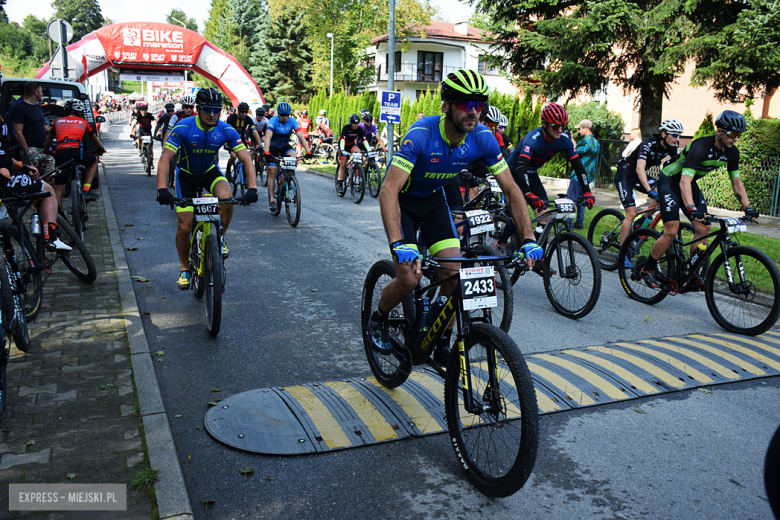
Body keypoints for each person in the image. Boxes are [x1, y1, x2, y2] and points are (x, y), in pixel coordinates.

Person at [368, 69, 542, 366]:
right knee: (409, 278)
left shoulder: (484, 139)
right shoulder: (421, 134)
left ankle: (442, 341)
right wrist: (398, 243)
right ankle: (379, 317)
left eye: (479, 103)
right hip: (404, 203)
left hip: (434, 202)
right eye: (465, 103)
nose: (473, 111)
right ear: (446, 104)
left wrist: (527, 237)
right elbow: (388, 190)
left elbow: (512, 190)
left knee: (454, 278)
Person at [640, 110, 758, 290]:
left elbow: (736, 182)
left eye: (739, 135)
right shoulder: (701, 147)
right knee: (671, 230)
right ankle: (647, 269)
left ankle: (693, 273)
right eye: (733, 134)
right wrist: (691, 208)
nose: (736, 139)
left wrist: (748, 208)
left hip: (688, 183)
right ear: (720, 131)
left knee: (703, 228)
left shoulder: (732, 153)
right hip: (670, 181)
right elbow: (683, 181)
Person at [155, 87, 258, 288]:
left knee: (227, 198)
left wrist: (252, 188)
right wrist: (161, 188)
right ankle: (185, 268)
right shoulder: (183, 127)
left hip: (210, 172)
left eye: (216, 110)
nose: (212, 114)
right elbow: (165, 158)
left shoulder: (225, 129)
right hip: (186, 176)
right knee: (185, 226)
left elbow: (245, 158)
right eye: (207, 109)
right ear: (198, 108)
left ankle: (219, 238)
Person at [496, 102, 596, 275]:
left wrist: (587, 190)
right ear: (544, 125)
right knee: (522, 211)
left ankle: (538, 258)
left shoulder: (563, 140)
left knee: (544, 215)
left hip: (531, 174)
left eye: (562, 125)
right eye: (555, 125)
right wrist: (528, 194)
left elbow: (578, 166)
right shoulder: (532, 139)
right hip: (513, 174)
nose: (560, 129)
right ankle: (502, 241)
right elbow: (520, 170)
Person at [614, 119, 683, 262]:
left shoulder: (672, 147)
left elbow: (673, 169)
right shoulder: (648, 144)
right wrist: (649, 190)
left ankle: (643, 221)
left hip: (640, 175)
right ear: (664, 134)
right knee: (631, 213)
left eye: (680, 135)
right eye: (675, 135)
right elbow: (640, 168)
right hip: (625, 174)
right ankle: (622, 253)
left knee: (662, 193)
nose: (678, 139)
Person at [42, 99, 106, 205]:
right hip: (77, 151)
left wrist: (46, 150)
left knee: (59, 186)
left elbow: (49, 139)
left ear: (66, 111)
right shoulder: (83, 122)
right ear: (79, 112)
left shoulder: (57, 121)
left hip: (61, 153)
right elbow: (93, 139)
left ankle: (59, 214)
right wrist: (101, 149)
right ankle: (86, 190)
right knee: (94, 160)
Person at [262, 102, 311, 212]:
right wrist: (266, 151)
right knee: (272, 171)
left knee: (293, 156)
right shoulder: (273, 120)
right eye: (282, 115)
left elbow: (300, 136)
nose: (285, 117)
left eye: (287, 115)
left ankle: (289, 178)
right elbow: (268, 137)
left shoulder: (292, 121)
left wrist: (308, 151)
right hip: (273, 147)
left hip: (284, 146)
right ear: (278, 114)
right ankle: (271, 200)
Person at [8, 81, 54, 177]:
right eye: (41, 91)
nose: (42, 94)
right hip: (31, 148)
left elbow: (40, 125)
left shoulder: (38, 107)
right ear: (35, 92)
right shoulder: (19, 108)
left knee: (51, 177)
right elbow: (17, 132)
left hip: (43, 148)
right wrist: (27, 151)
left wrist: (54, 130)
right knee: (34, 178)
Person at [565, 119, 600, 229]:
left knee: (571, 198)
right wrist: (572, 138)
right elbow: (579, 150)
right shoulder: (595, 142)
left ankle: (568, 223)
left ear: (586, 129)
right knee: (581, 198)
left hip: (579, 174)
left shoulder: (586, 141)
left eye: (580, 129)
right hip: (589, 174)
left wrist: (568, 141)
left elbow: (574, 152)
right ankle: (579, 222)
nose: (579, 131)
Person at [336, 114, 371, 193]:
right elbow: (342, 140)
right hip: (343, 146)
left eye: (357, 123)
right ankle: (340, 183)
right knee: (343, 165)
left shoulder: (359, 129)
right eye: (354, 123)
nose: (356, 125)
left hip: (351, 145)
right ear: (351, 123)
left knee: (358, 153)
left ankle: (356, 173)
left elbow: (364, 140)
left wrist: (369, 150)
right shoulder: (346, 128)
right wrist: (342, 150)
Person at [225, 102, 261, 172]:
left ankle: (244, 178)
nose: (244, 114)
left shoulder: (248, 119)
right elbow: (226, 131)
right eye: (242, 112)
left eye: (246, 112)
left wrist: (259, 144)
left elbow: (254, 131)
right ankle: (228, 169)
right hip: (231, 140)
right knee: (233, 156)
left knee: (246, 158)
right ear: (238, 111)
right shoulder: (231, 118)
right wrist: (226, 143)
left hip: (241, 140)